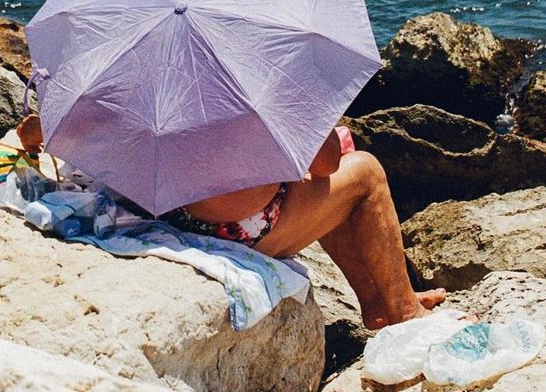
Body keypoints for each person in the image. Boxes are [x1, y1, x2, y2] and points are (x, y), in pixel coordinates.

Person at [163, 128, 449, 328]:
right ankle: (406, 311)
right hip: (236, 229)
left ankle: (377, 301)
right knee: (365, 172)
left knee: (314, 183)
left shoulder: (178, 82)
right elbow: (327, 164)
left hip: (178, 217)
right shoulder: (259, 80)